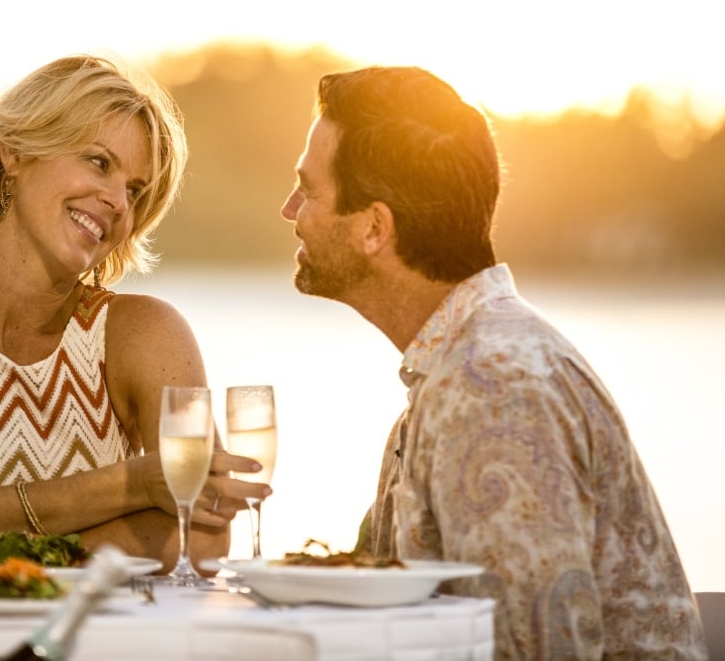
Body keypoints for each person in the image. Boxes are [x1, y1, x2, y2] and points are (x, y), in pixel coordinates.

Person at [280, 66, 707, 659]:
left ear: (375, 228)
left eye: (308, 189)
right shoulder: (455, 367)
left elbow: (535, 650)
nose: (289, 209)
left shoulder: (494, 386)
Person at [0, 55, 269, 571]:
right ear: (15, 152)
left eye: (135, 190)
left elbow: (202, 534)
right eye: (99, 162)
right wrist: (133, 485)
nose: (117, 203)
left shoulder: (145, 334)